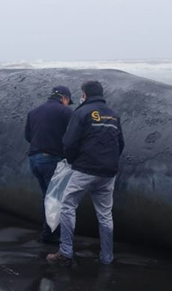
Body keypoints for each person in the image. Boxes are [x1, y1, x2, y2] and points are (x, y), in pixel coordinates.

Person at [47, 80, 125, 266]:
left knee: (67, 206)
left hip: (86, 169)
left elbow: (69, 142)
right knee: (105, 215)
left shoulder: (81, 112)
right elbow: (120, 144)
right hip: (108, 172)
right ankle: (107, 257)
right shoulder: (113, 115)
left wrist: (73, 161)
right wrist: (110, 162)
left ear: (85, 94)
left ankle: (65, 252)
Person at [25, 86, 73, 244]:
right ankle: (50, 235)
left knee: (47, 196)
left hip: (34, 159)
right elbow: (73, 135)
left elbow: (28, 136)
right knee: (55, 198)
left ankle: (49, 231)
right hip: (51, 159)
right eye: (68, 101)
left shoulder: (33, 112)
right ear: (64, 98)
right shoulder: (65, 112)